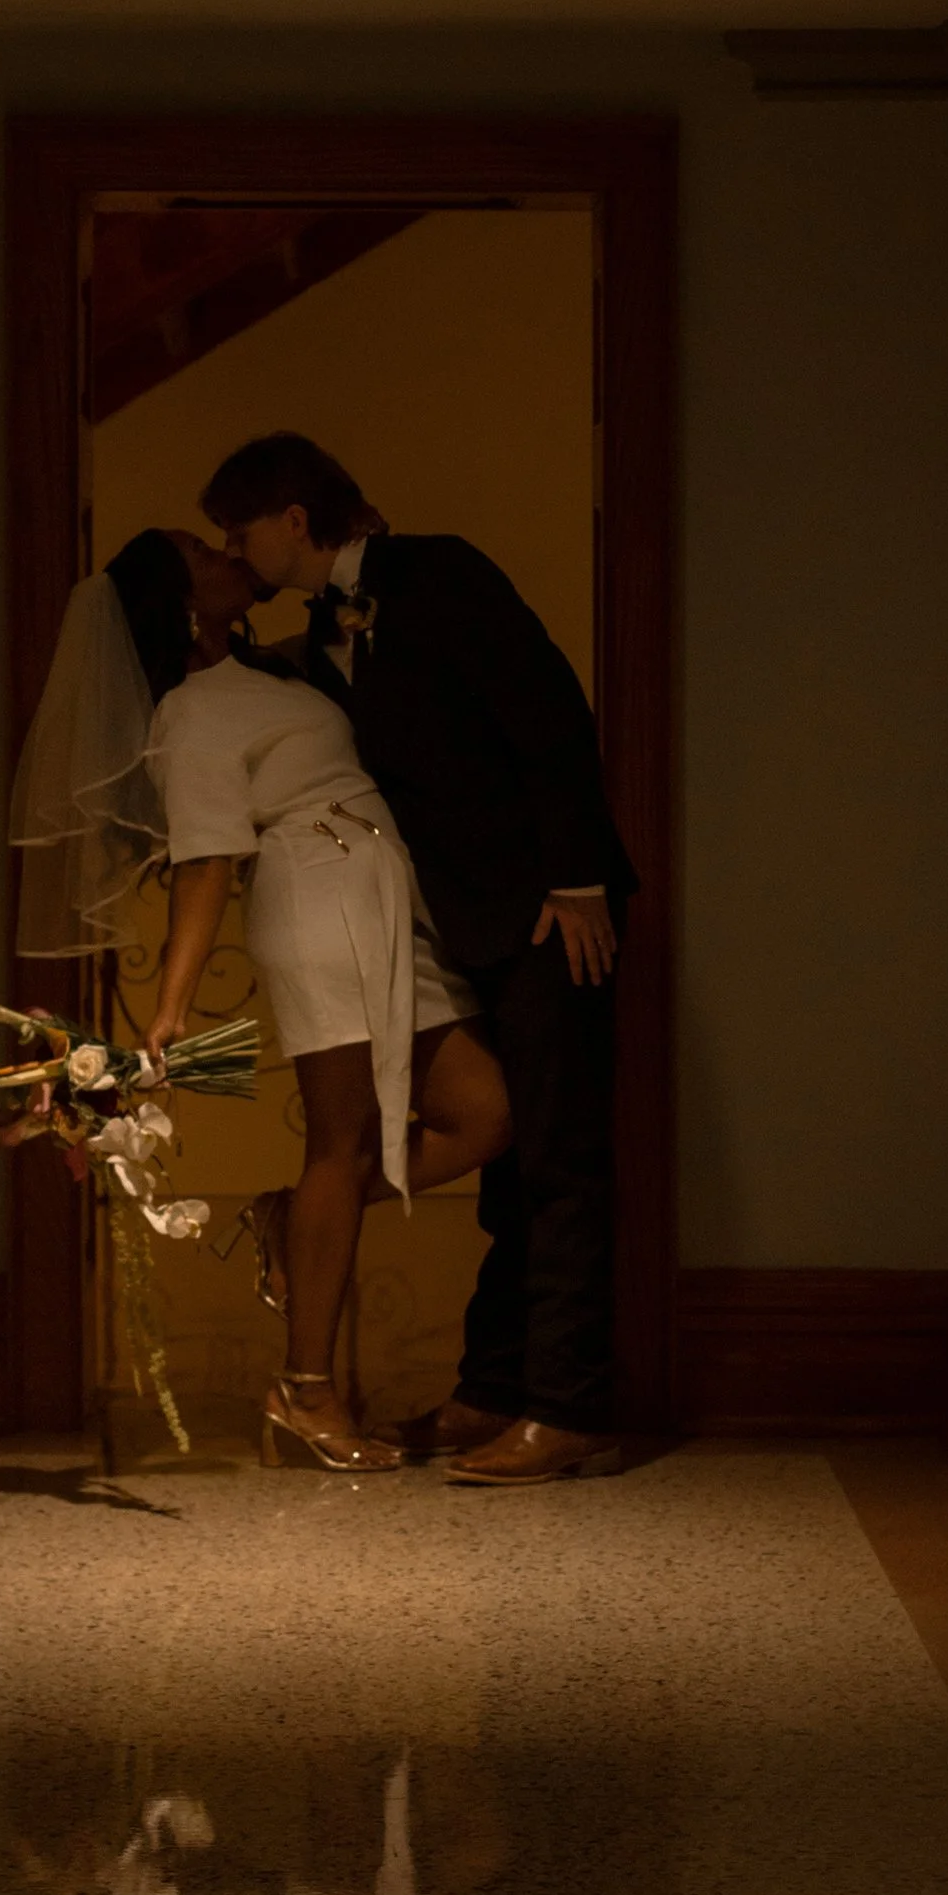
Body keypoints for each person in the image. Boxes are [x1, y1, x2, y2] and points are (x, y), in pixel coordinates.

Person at [7, 526, 510, 1473]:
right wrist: (171, 1006)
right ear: (183, 601)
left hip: (384, 889)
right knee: (343, 1139)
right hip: (317, 896)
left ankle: (293, 1219)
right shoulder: (190, 714)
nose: (228, 554)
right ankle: (306, 1389)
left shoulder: (275, 671)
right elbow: (207, 862)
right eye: (205, 553)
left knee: (484, 1113)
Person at [202, 432, 634, 1486]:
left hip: (546, 910)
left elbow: (548, 710)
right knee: (511, 1169)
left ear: (295, 520)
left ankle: (569, 1408)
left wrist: (575, 878)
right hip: (464, 924)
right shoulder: (321, 632)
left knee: (563, 1159)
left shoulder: (440, 571)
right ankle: (493, 1388)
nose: (235, 548)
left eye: (240, 528)